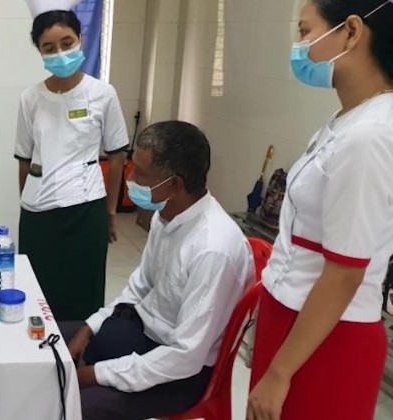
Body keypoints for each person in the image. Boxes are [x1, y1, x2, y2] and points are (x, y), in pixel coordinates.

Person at [247, 1, 393, 419]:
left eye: (305, 32)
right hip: (295, 323)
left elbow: (345, 271)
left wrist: (280, 372)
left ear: (351, 32)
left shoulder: (370, 136)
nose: (299, 46)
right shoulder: (347, 120)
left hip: (326, 339)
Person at [63, 121, 254, 420]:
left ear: (174, 184)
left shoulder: (213, 249)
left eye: (140, 173)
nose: (130, 179)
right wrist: (90, 327)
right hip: (144, 335)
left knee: (73, 407)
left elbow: (185, 356)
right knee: (48, 345)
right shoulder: (165, 215)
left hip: (179, 372)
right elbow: (139, 286)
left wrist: (95, 375)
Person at [16, 2, 130, 321]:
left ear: (80, 39)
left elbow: (117, 157)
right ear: (40, 52)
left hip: (86, 207)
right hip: (38, 211)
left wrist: (110, 211)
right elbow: (24, 159)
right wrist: (25, 203)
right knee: (37, 289)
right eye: (49, 48)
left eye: (67, 43)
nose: (60, 53)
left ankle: (81, 347)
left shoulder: (103, 94)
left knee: (84, 289)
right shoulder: (30, 98)